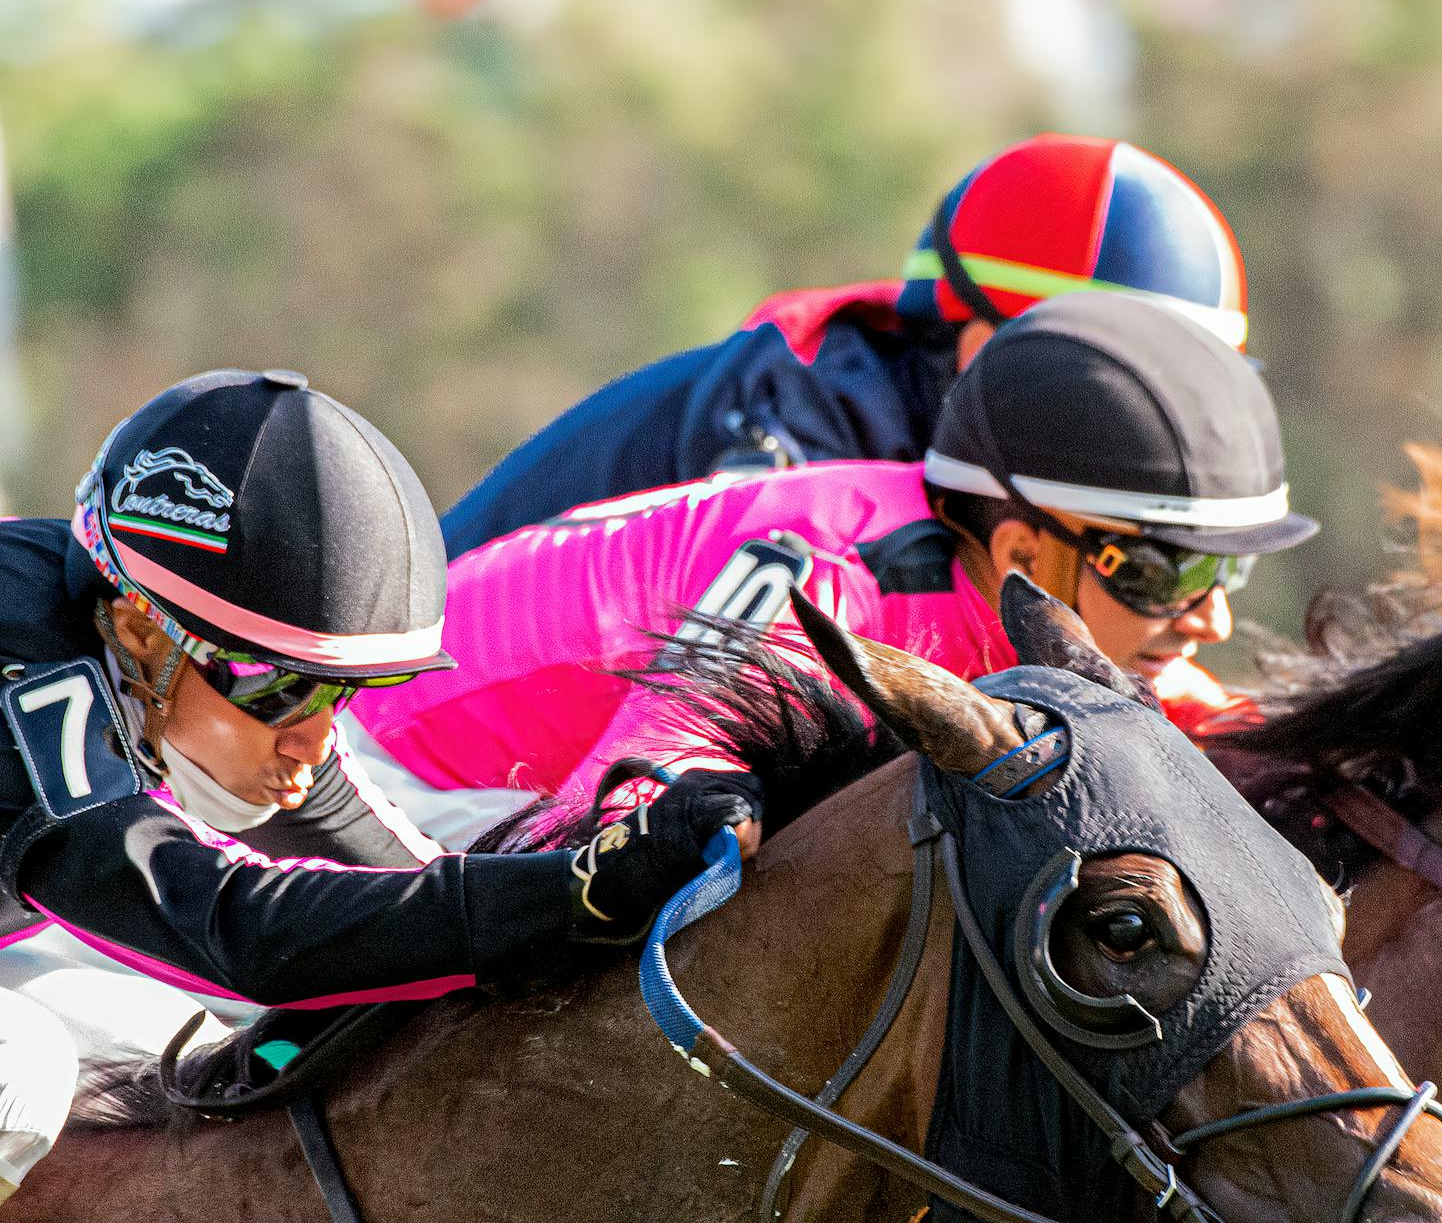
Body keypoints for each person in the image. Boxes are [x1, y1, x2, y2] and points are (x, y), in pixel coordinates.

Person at [0, 371, 753, 1198]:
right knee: (23, 1078)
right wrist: (577, 892)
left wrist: (587, 883)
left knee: (201, 1064)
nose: (316, 736)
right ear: (145, 627)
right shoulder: (28, 672)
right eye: (278, 686)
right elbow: (235, 932)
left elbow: (412, 886)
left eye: (338, 694)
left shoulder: (148, 651)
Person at [350, 292, 1314, 840]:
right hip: (395, 772)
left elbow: (1216, 722)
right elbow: (618, 817)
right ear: (1025, 551)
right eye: (1169, 578)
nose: (1209, 622)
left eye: (1223, 579)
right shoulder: (835, 580)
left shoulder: (1031, 588)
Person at [438, 133, 1249, 558]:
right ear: (978, 348)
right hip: (399, 742)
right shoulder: (799, 436)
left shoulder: (934, 425)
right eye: (1127, 395)